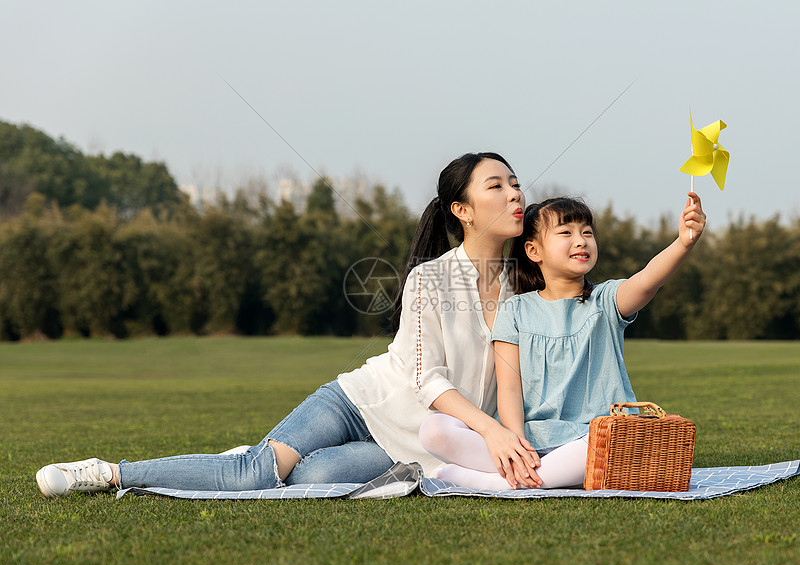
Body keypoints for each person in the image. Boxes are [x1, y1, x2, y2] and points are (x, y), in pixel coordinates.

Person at [36, 152, 542, 498]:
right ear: (463, 210)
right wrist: (494, 433)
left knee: (310, 479)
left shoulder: (526, 286)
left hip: (407, 445)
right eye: (496, 186)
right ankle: (108, 473)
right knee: (255, 474)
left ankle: (267, 454)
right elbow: (426, 378)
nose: (514, 193)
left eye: (515, 183)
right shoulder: (429, 279)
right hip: (359, 402)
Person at [419, 193, 706, 489]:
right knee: (434, 429)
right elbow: (509, 388)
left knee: (606, 445)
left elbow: (648, 280)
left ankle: (497, 483)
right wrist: (515, 446)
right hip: (533, 441)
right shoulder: (515, 310)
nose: (581, 240)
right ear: (533, 250)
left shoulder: (605, 302)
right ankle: (528, 472)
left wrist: (684, 241)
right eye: (566, 233)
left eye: (587, 232)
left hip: (591, 439)